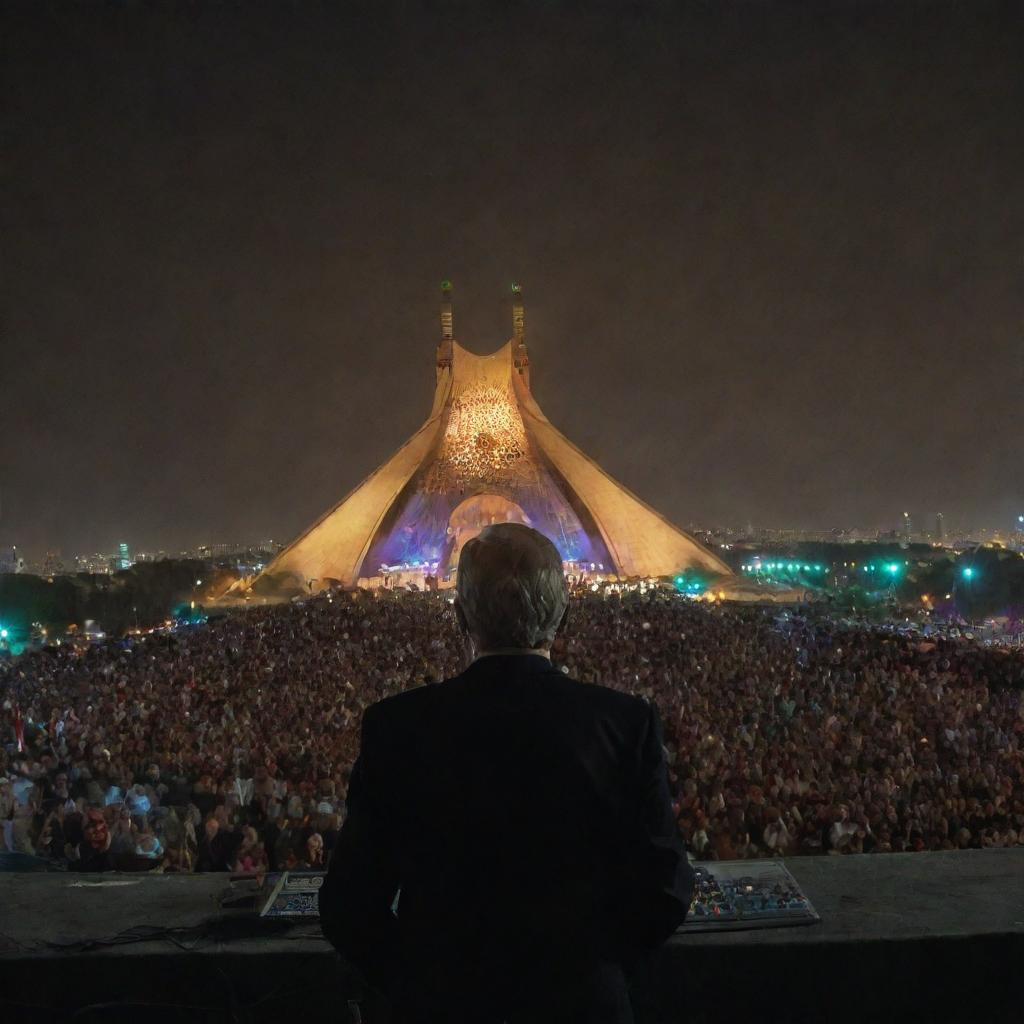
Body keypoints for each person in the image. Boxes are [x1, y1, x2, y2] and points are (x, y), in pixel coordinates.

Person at [319, 523, 694, 1024]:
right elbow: (664, 888)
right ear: (563, 613)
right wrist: (593, 968)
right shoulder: (624, 725)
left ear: (460, 617)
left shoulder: (398, 726)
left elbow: (349, 903)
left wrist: (419, 980)